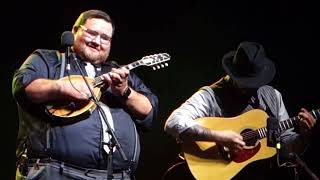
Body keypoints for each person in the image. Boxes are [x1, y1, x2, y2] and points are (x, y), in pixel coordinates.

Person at [13, 9, 158, 180]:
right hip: (56, 172)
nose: (97, 41)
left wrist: (125, 92)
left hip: (116, 176)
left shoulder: (119, 72)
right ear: (75, 31)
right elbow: (23, 87)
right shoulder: (48, 60)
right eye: (92, 33)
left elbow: (148, 111)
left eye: (105, 38)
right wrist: (61, 88)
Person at [163, 41, 316, 179]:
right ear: (232, 73)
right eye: (243, 81)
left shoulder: (273, 97)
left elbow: (282, 146)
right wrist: (219, 137)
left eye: (253, 82)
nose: (248, 88)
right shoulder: (211, 95)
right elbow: (173, 123)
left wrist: (304, 137)